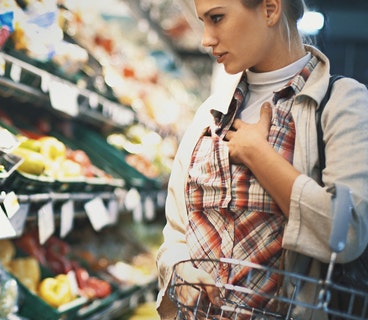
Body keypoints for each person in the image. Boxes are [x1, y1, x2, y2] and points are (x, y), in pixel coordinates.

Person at [155, 0, 368, 318]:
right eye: (203, 22)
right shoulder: (209, 115)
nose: (206, 39)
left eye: (217, 18)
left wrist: (260, 156)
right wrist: (179, 273)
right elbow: (174, 233)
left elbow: (348, 232)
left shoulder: (342, 103)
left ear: (270, 9)